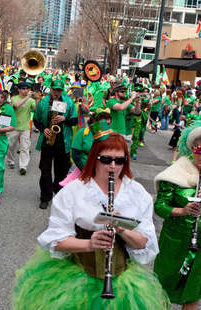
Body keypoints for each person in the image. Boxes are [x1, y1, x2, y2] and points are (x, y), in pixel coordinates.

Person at [12, 130, 170, 310]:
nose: (113, 166)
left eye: (119, 160)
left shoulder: (137, 194)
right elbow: (56, 241)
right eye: (106, 159)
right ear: (94, 158)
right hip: (77, 278)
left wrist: (122, 229)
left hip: (123, 282)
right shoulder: (73, 192)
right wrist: (89, 244)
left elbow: (143, 243)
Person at [154, 121, 201, 309]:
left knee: (193, 291)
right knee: (163, 288)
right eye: (200, 150)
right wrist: (182, 211)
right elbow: (160, 207)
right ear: (192, 149)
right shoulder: (177, 173)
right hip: (175, 241)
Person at [33, 79, 78, 210]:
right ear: (50, 89)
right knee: (45, 170)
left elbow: (74, 121)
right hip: (47, 142)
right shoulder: (43, 102)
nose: (56, 93)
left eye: (59, 90)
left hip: (63, 142)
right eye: (54, 90)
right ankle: (45, 197)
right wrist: (44, 129)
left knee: (61, 172)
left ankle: (58, 192)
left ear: (62, 91)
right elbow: (36, 120)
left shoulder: (68, 102)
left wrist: (65, 119)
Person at [6, 82, 36, 175]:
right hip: (14, 127)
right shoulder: (14, 98)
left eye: (27, 89)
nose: (25, 90)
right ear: (18, 89)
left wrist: (36, 99)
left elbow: (36, 110)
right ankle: (11, 161)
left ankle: (23, 166)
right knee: (10, 146)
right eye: (23, 88)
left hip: (26, 127)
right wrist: (28, 97)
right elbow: (16, 106)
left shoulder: (31, 100)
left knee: (25, 148)